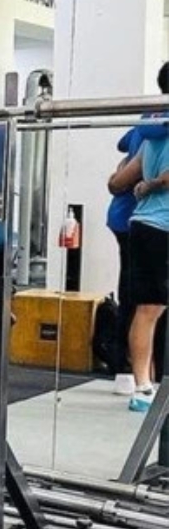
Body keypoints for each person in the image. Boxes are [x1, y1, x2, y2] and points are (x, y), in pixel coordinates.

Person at [107, 61, 169, 412]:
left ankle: (143, 385)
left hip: (143, 225)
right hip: (158, 227)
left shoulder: (150, 130)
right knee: (149, 308)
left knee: (147, 309)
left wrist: (147, 183)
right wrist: (156, 182)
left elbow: (120, 180)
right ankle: (143, 386)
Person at [105, 128, 143, 393]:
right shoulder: (155, 128)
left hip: (129, 219)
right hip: (132, 220)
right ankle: (125, 367)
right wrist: (122, 172)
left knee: (135, 294)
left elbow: (122, 145)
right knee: (137, 296)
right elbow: (118, 183)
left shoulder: (144, 125)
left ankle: (127, 367)